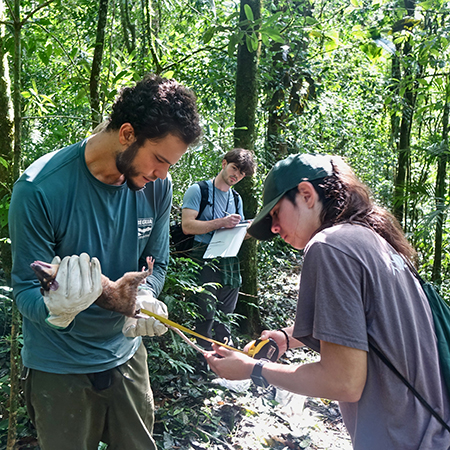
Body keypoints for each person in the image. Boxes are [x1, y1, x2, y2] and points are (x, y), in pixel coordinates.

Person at [205, 153, 450, 449]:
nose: (273, 228)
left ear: (306, 194)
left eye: (275, 213)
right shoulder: (375, 242)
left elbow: (343, 382)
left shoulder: (328, 246)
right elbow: (371, 324)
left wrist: (253, 370)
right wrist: (286, 338)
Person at [9, 74, 201, 450]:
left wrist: (142, 300)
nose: (163, 173)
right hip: (59, 365)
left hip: (126, 354)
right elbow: (25, 289)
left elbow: (156, 264)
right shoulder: (41, 189)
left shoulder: (157, 186)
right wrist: (55, 310)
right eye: (159, 159)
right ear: (127, 133)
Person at [181, 148, 256, 350]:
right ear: (224, 164)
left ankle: (225, 365)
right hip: (203, 255)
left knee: (225, 316)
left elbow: (238, 232)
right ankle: (203, 361)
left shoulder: (237, 199)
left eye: (241, 174)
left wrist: (253, 229)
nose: (236, 175)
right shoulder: (199, 190)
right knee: (205, 313)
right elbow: (187, 226)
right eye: (234, 169)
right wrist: (221, 223)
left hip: (229, 258)